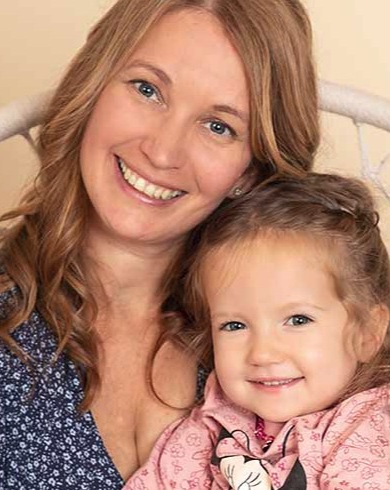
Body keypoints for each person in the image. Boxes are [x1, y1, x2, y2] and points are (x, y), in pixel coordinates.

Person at [0, 0, 320, 488]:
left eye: (218, 126)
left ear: (249, 171)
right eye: (147, 90)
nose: (162, 152)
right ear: (93, 86)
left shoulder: (300, 331)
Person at [125, 173, 390, 490]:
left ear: (367, 333)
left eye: (298, 320)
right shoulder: (214, 420)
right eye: (234, 325)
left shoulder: (371, 429)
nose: (262, 353)